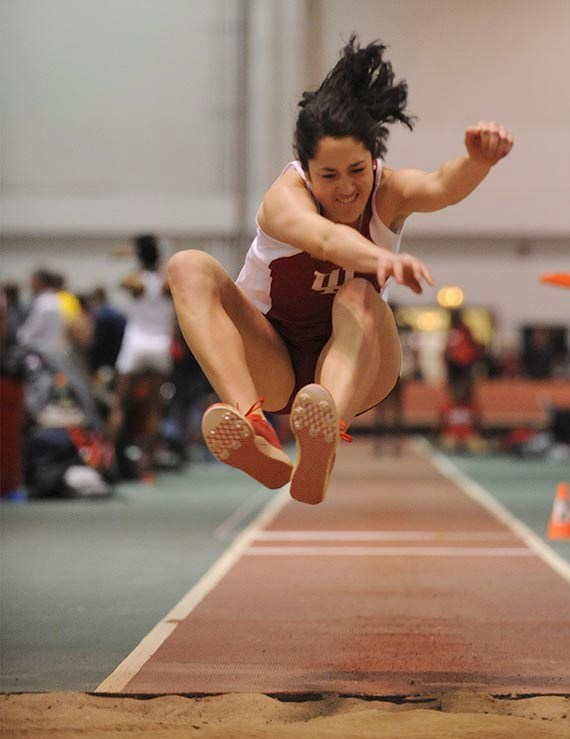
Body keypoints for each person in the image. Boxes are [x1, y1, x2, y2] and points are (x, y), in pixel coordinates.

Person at [167, 36, 513, 504]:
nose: (347, 189)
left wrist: (477, 162)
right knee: (188, 265)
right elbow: (327, 239)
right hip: (278, 365)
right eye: (328, 177)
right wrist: (381, 258)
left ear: (374, 158)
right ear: (306, 171)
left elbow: (440, 185)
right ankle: (251, 422)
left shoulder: (388, 191)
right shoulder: (284, 202)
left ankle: (324, 431)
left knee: (361, 295)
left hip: (360, 366)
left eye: (357, 170)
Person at [108, 234, 175, 476]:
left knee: (119, 404)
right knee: (154, 409)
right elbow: (169, 279)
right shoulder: (167, 283)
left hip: (135, 344)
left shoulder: (135, 281)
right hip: (159, 345)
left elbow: (124, 282)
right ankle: (150, 468)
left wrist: (136, 260)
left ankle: (108, 464)